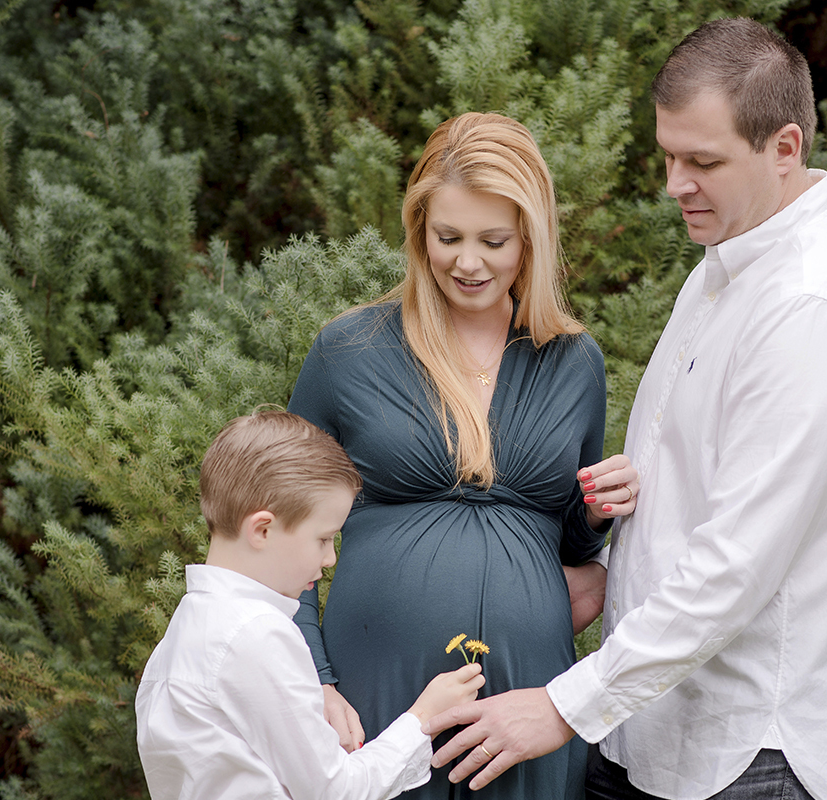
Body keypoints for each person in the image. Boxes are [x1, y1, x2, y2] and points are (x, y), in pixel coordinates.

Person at [425, 17, 827, 800]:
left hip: (768, 752)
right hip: (661, 732)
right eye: (668, 155)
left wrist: (565, 707)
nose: (675, 184)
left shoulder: (817, 305)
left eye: (703, 161)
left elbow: (738, 562)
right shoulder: (725, 267)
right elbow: (701, 492)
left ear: (786, 148)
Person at [287, 112, 638, 799]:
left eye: (493, 240)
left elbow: (566, 543)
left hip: (527, 702)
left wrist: (598, 512)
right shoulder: (348, 351)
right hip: (375, 699)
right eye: (447, 237)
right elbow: (278, 533)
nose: (467, 262)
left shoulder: (574, 362)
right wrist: (313, 681)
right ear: (420, 231)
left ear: (530, 240)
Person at [135, 408, 487, 800]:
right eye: (322, 539)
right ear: (262, 529)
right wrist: (422, 720)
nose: (330, 558)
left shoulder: (188, 627)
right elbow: (335, 791)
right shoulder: (257, 635)